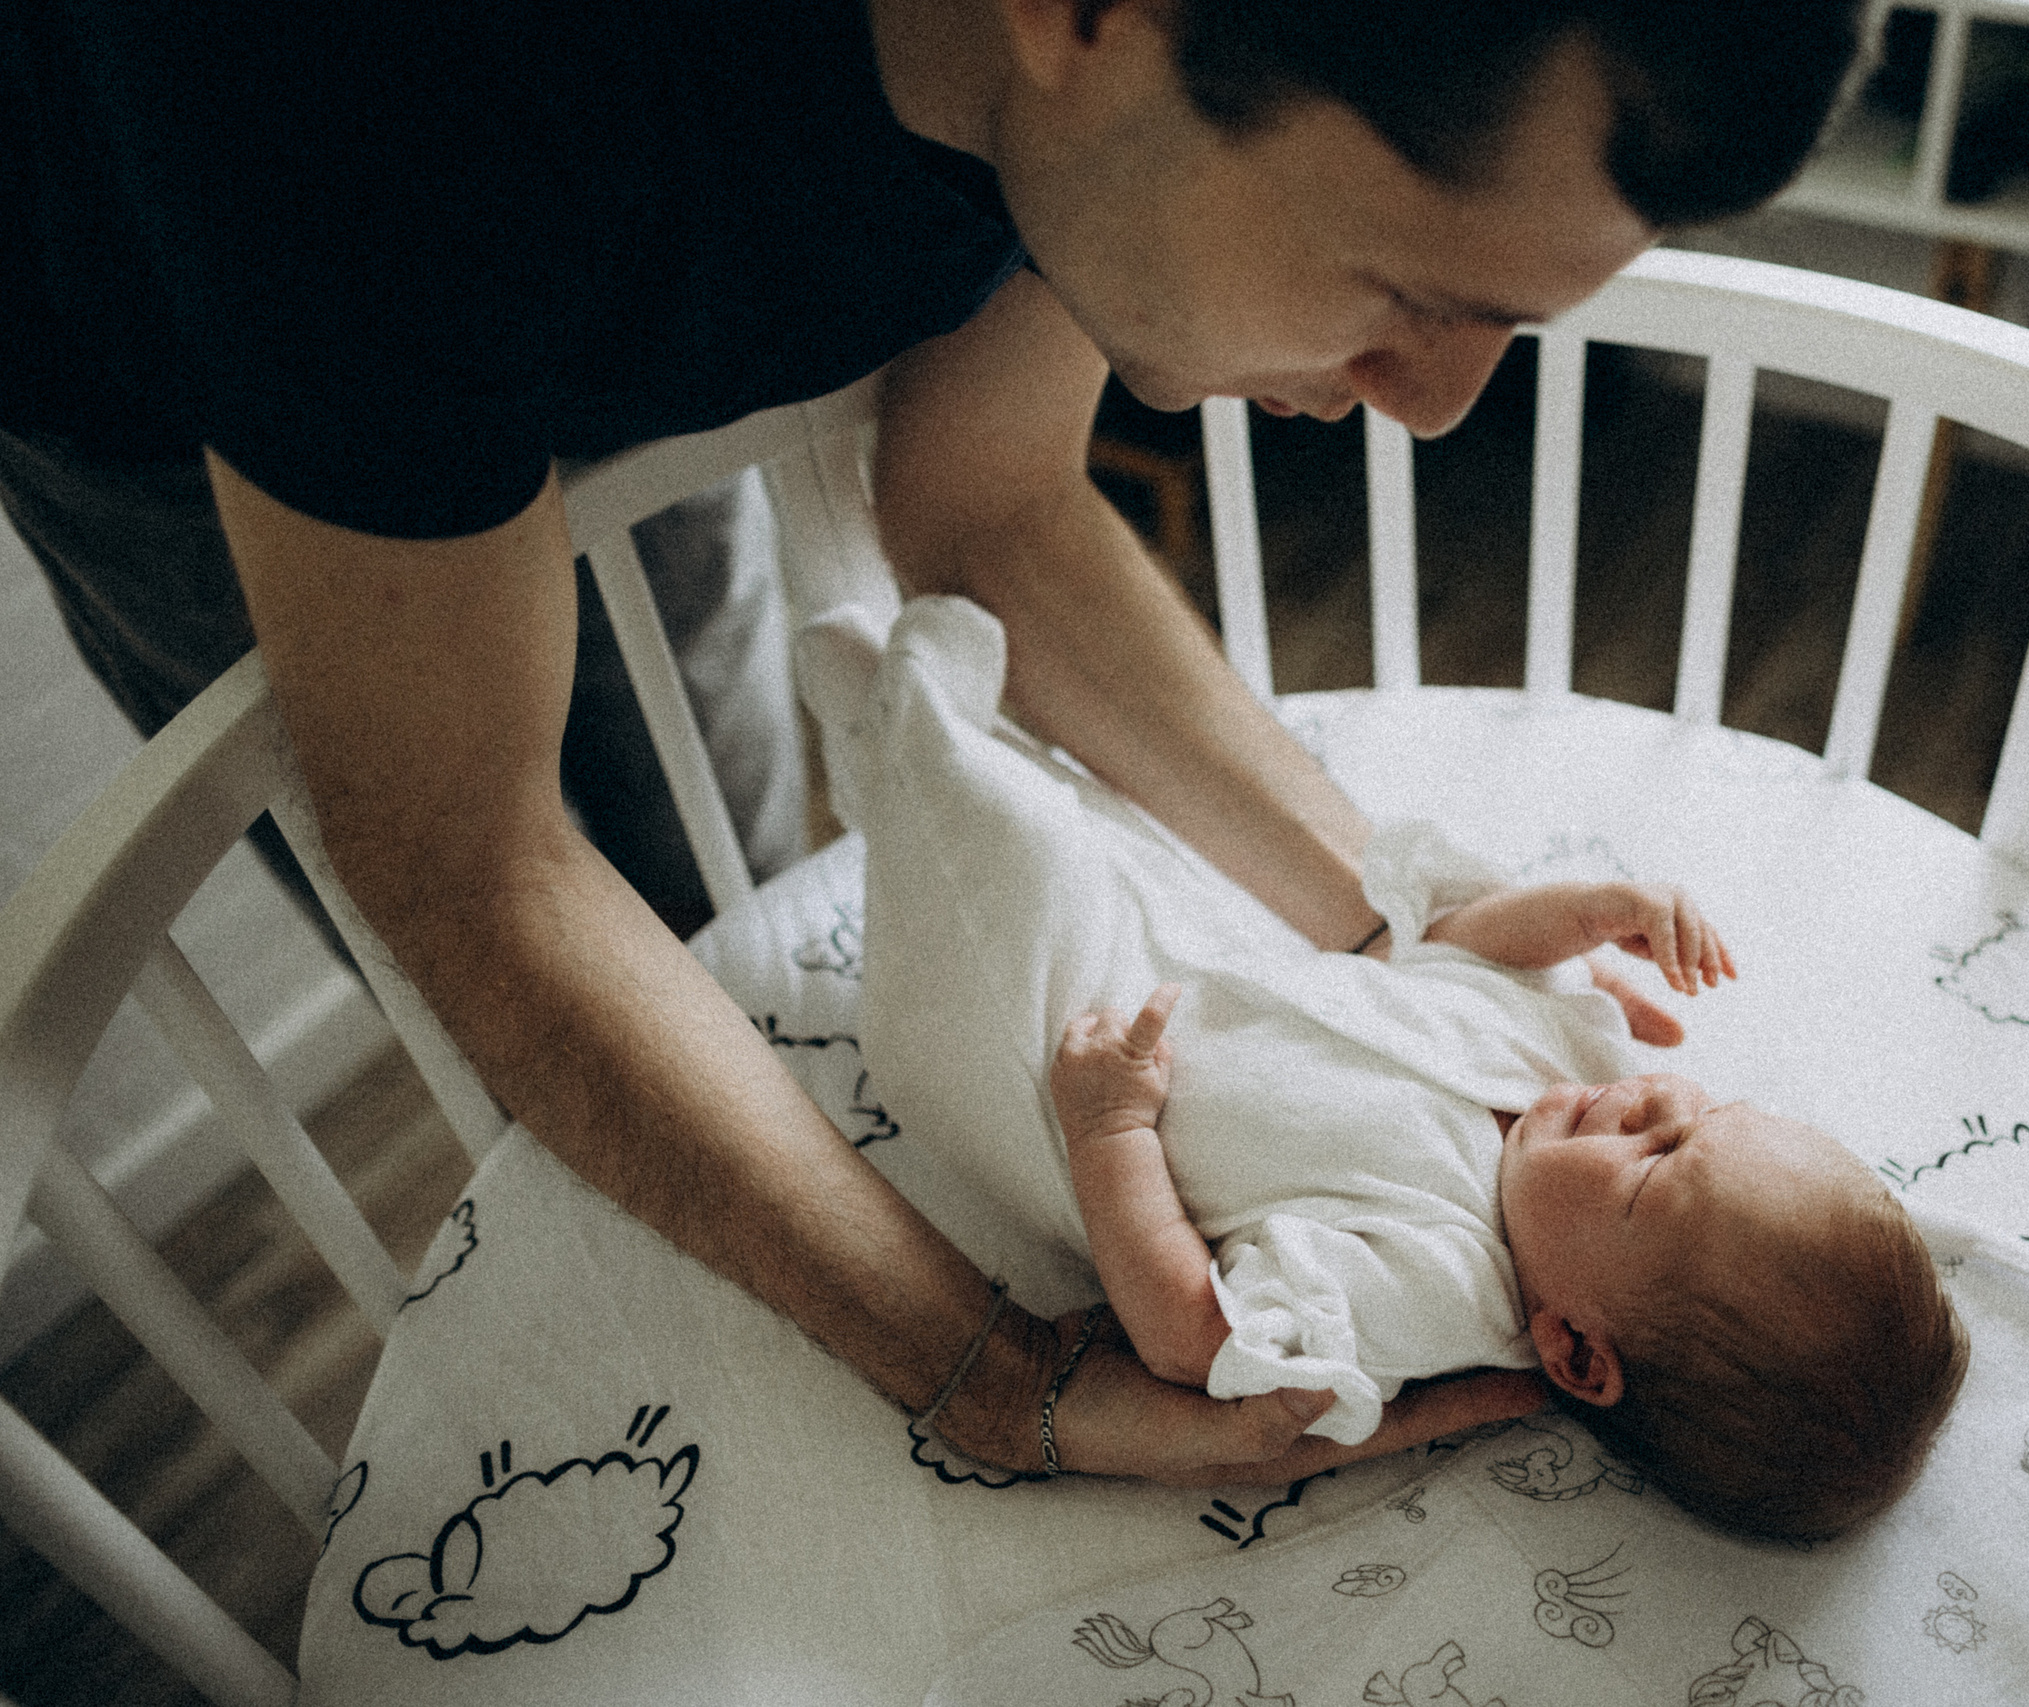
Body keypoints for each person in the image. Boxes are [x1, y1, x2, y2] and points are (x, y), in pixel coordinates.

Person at [0, 0, 1869, 1480]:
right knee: (581, 1046)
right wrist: (991, 1377)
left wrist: (1380, 936)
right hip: (194, 349)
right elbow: (473, 861)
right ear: (1087, 10)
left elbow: (990, 507)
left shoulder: (1110, 102)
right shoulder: (362, 85)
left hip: (594, 206)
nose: (1440, 414)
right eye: (1403, 291)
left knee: (721, 876)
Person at [822, 591, 1967, 1541]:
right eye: (1704, 1107)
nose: (1654, 1097)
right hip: (1189, 967)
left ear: (1571, 1346)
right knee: (1101, 831)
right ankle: (894, 739)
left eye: (1654, 1162)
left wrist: (1107, 1132)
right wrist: (1592, 912)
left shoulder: (1433, 1292)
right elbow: (1450, 953)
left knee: (1018, 860)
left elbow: (1197, 1337)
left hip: (1041, 1072)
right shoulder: (1567, 1079)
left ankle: (901, 733)